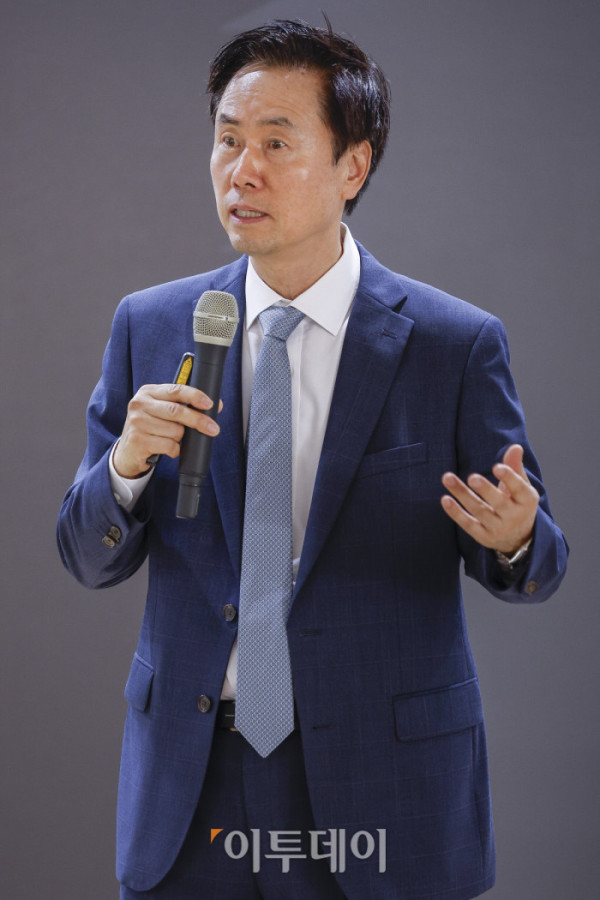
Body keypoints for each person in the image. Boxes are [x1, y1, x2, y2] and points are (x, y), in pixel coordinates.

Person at [57, 19, 568, 900]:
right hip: (192, 778)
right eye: (227, 140)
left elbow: (537, 566)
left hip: (381, 780)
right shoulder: (152, 325)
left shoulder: (452, 344)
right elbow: (85, 555)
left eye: (275, 143)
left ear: (352, 167)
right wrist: (126, 470)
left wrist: (516, 537)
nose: (241, 170)